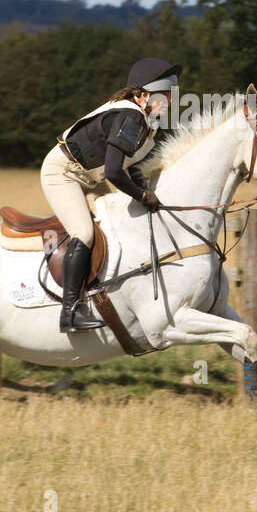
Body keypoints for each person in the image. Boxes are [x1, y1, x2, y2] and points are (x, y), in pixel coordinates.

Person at [42, 57, 180, 333]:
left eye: (170, 96)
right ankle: (69, 311)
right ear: (142, 95)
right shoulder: (130, 117)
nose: (169, 102)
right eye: (164, 96)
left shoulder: (147, 125)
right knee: (84, 232)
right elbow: (116, 172)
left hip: (92, 177)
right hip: (64, 174)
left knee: (119, 226)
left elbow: (133, 169)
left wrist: (150, 193)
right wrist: (142, 196)